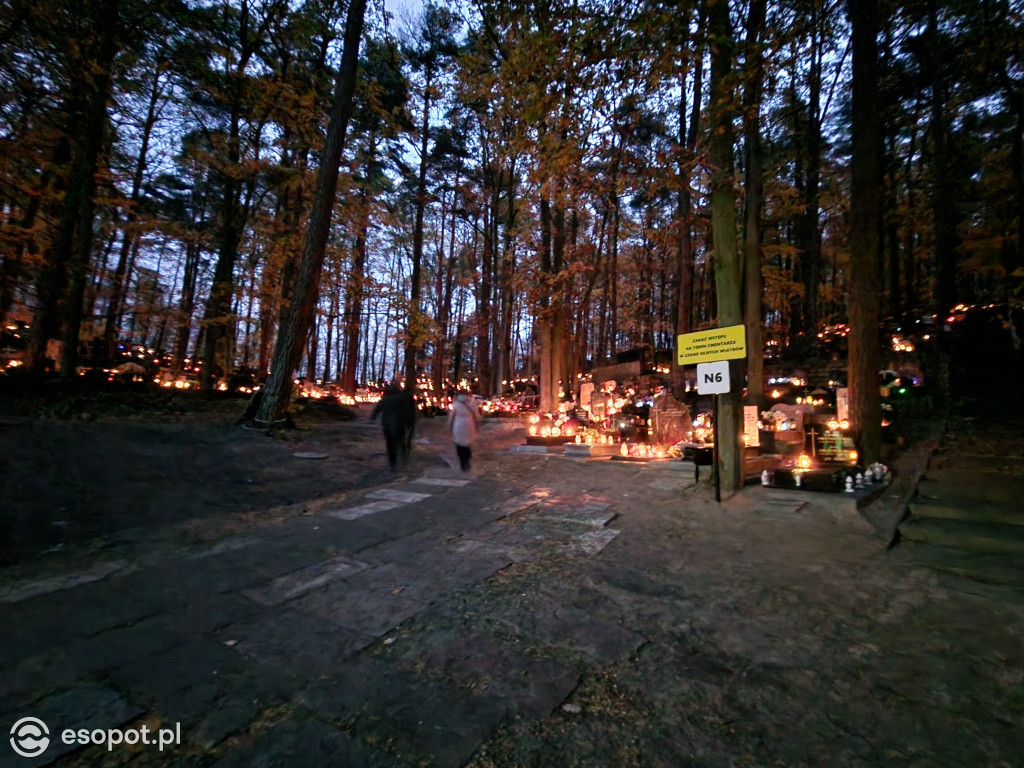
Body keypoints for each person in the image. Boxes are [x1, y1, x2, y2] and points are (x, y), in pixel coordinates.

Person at [372, 382, 417, 470]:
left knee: (390, 444)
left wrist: (373, 417)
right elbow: (408, 410)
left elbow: (377, 410)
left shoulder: (385, 400)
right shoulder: (401, 399)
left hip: (387, 425)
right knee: (400, 441)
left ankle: (393, 462)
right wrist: (409, 422)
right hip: (399, 424)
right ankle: (403, 457)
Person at [447, 392, 482, 471]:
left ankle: (462, 463)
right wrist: (478, 425)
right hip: (469, 424)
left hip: (458, 424)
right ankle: (467, 460)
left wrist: (449, 426)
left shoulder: (456, 403)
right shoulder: (470, 403)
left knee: (459, 444)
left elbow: (452, 415)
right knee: (467, 443)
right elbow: (476, 415)